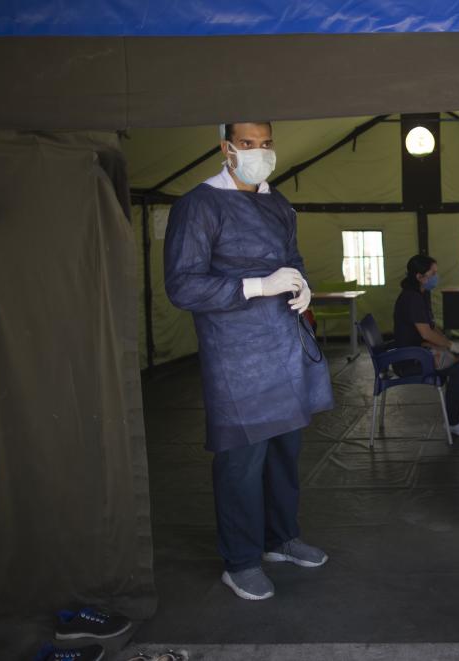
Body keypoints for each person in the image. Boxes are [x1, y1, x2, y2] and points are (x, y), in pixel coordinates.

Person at [164, 121, 334, 601]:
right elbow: (182, 286)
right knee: (242, 458)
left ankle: (280, 538)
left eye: (265, 144)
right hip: (236, 354)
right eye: (248, 144)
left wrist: (302, 285)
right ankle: (239, 560)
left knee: (285, 451)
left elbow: (292, 257)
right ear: (226, 148)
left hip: (282, 343)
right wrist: (258, 286)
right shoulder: (198, 205)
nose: (259, 152)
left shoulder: (277, 202)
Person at [393, 254, 459, 437]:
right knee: (458, 367)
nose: (437, 277)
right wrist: (451, 345)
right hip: (409, 360)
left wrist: (448, 344)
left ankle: (452, 412)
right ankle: (452, 422)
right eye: (433, 273)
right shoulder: (411, 298)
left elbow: (432, 327)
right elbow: (426, 333)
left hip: (420, 350)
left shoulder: (422, 293)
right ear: (419, 277)